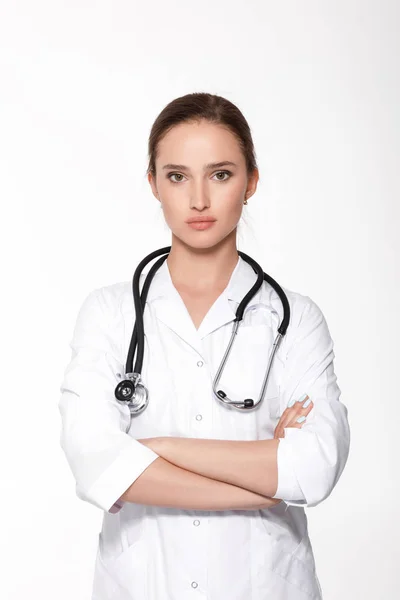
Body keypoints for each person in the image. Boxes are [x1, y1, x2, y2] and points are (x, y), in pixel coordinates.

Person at [58, 92, 350, 600]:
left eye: (220, 174)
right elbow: (96, 465)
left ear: (251, 181)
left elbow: (314, 467)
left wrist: (157, 451)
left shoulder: (295, 320)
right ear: (153, 183)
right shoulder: (109, 314)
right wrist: (260, 484)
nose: (198, 199)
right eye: (177, 176)